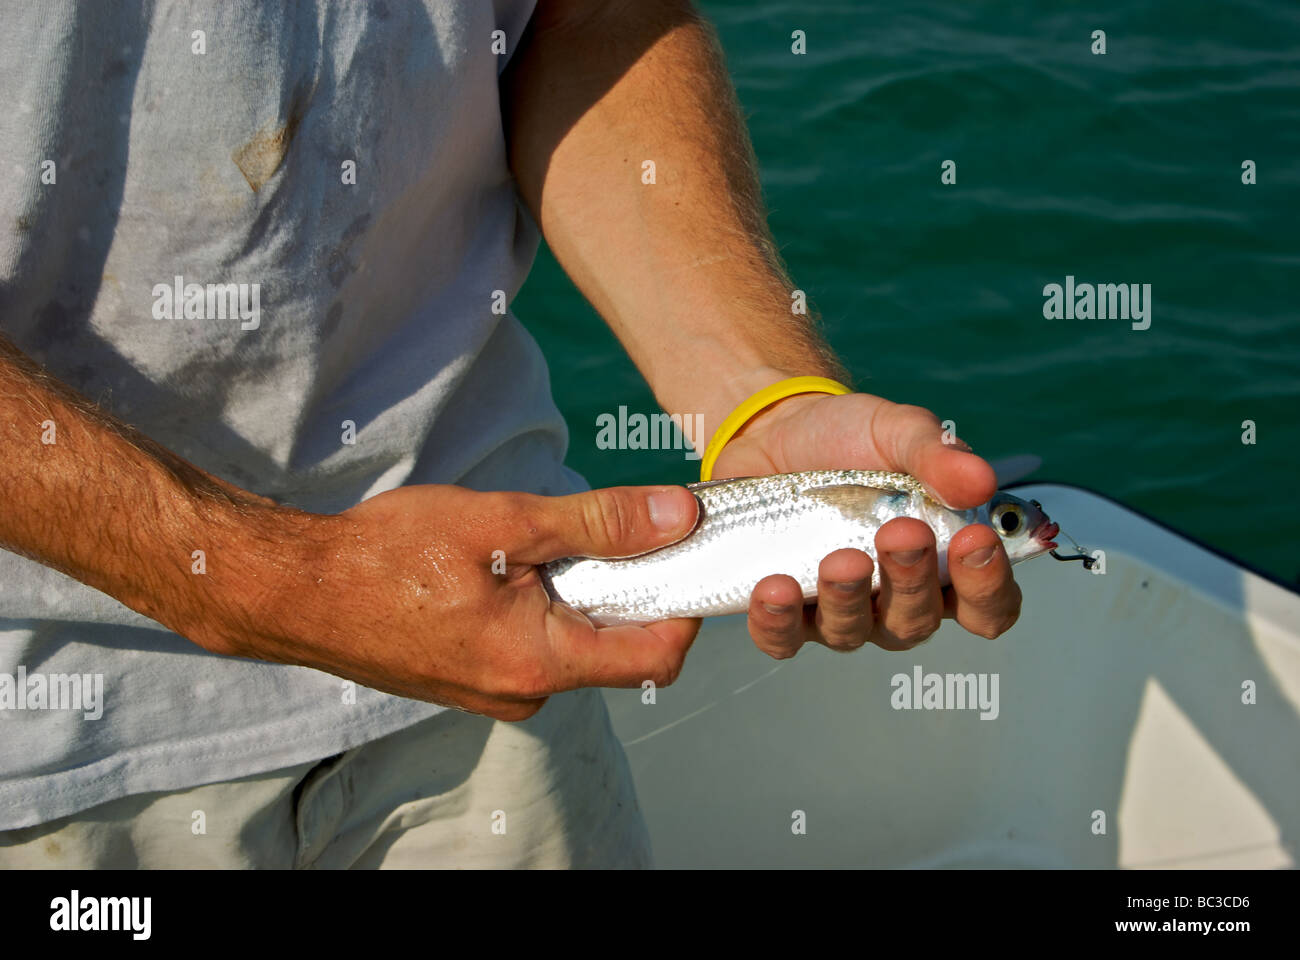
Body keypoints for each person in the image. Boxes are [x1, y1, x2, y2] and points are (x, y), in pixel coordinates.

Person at [0, 0, 1022, 868]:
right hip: (57, 746)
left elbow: (585, 20)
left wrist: (758, 396)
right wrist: (271, 583)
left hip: (510, 643)